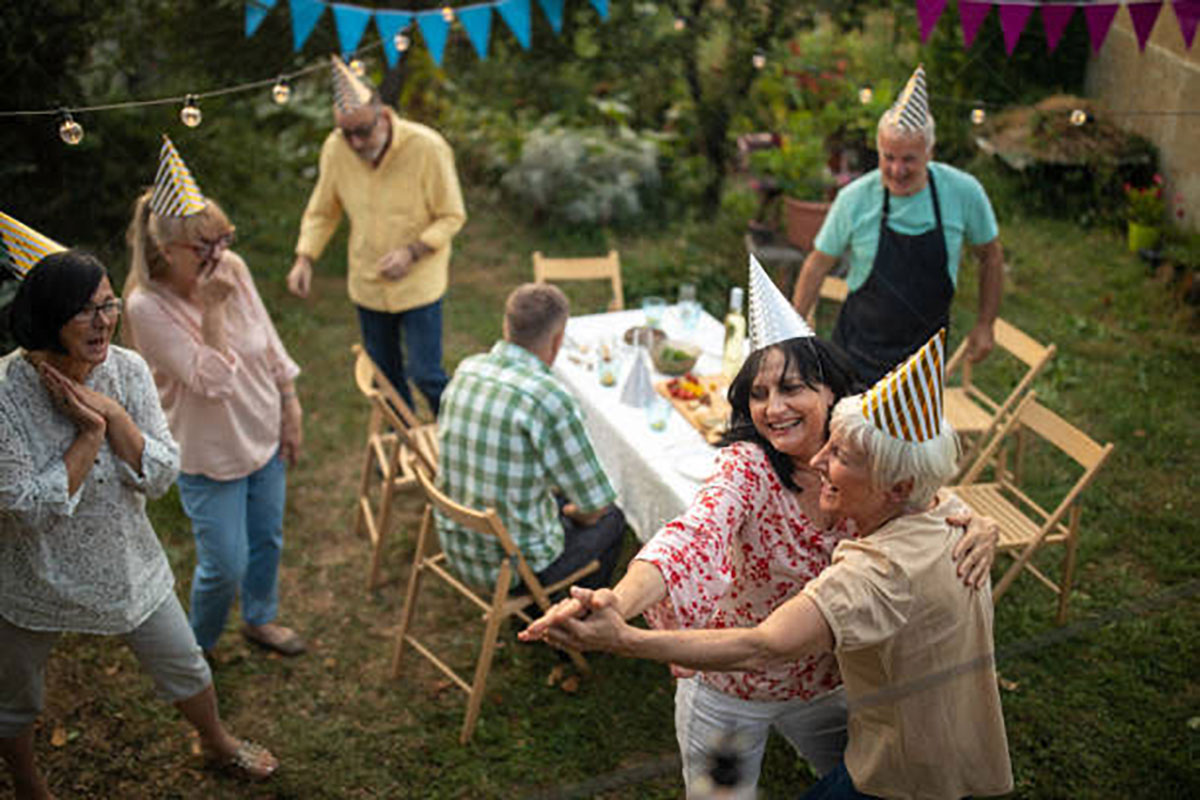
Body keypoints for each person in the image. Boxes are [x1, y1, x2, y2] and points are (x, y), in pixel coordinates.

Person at [523, 259, 997, 796]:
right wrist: (619, 601)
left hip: (827, 685)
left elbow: (925, 501)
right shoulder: (746, 467)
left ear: (831, 392)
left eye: (792, 389)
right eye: (758, 394)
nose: (772, 409)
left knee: (861, 780)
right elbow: (690, 537)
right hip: (730, 691)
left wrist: (978, 523)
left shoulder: (870, 465)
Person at [0, 249, 278, 798]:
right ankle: (29, 785)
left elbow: (160, 474)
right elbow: (25, 509)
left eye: (109, 305)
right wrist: (88, 437)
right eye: (85, 310)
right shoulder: (5, 393)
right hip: (33, 572)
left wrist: (117, 417)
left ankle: (216, 742)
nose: (104, 321)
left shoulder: (125, 371)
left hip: (125, 561)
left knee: (186, 664)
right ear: (48, 315)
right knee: (12, 697)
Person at [123, 136, 306, 658]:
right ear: (165, 250)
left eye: (223, 238)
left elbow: (268, 341)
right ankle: (195, 651)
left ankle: (260, 618)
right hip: (206, 453)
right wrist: (213, 311)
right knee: (224, 563)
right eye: (204, 246)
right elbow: (212, 381)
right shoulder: (145, 307)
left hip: (262, 432)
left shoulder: (235, 269)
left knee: (267, 541)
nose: (220, 254)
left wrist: (289, 402)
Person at [791, 65, 1004, 385]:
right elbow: (818, 263)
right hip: (855, 356)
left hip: (923, 367)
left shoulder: (963, 192)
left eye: (909, 160)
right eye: (888, 157)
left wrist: (986, 323)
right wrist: (794, 331)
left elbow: (991, 256)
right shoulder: (855, 198)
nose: (897, 169)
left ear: (929, 152)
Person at [287, 56, 466, 416]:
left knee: (426, 373)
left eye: (362, 131)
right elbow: (323, 210)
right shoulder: (335, 149)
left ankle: (455, 431)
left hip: (420, 281)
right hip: (368, 282)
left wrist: (413, 252)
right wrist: (305, 258)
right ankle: (406, 438)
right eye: (346, 133)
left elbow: (452, 215)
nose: (354, 142)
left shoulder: (427, 147)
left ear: (382, 114)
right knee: (385, 378)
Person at [436, 283, 625, 594]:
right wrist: (576, 513)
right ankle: (577, 623)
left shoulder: (467, 369)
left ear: (506, 326)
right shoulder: (549, 398)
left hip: (456, 544)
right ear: (558, 339)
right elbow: (594, 509)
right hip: (511, 569)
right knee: (613, 519)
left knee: (560, 495)